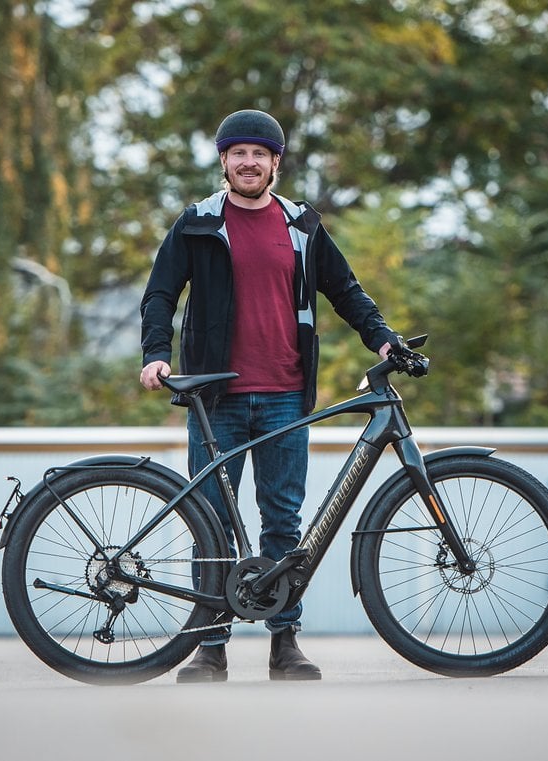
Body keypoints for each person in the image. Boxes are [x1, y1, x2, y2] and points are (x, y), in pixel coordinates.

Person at [139, 109, 400, 682]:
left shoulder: (302, 225)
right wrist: (155, 353)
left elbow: (345, 289)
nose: (249, 162)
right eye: (239, 153)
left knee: (282, 521)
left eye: (260, 154)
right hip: (217, 395)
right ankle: (209, 646)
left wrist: (382, 339)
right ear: (224, 161)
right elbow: (159, 294)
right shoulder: (198, 222)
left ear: (276, 163)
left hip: (285, 393)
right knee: (211, 522)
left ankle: (286, 643)